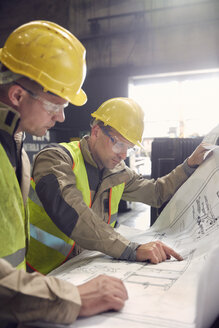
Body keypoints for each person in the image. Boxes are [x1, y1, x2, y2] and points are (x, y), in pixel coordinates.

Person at [0, 21, 128, 327]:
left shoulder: (16, 150)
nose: (62, 117)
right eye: (54, 105)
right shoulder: (51, 156)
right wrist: (70, 296)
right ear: (17, 96)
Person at [27, 97, 210, 275]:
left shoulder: (118, 172)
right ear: (96, 131)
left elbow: (155, 192)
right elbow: (72, 213)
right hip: (39, 273)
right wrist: (130, 249)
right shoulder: (55, 159)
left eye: (128, 148)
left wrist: (190, 165)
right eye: (119, 144)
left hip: (79, 271)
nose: (123, 154)